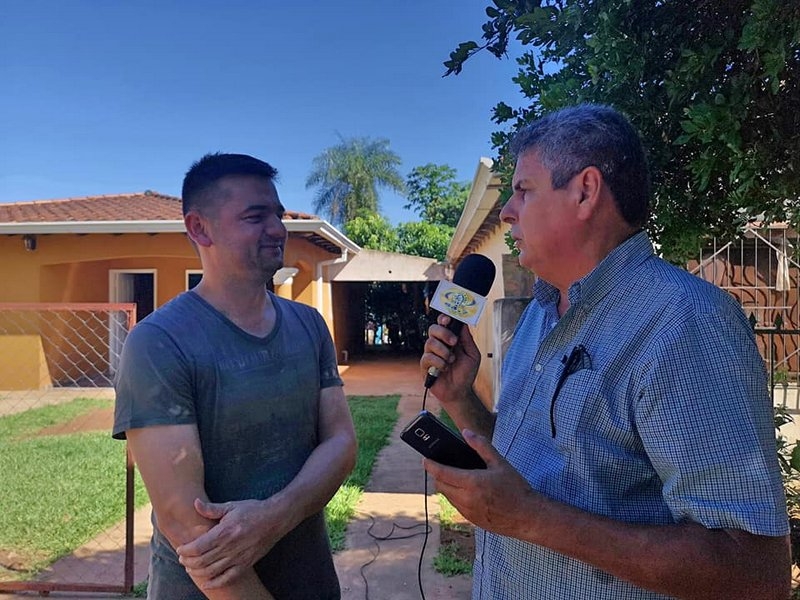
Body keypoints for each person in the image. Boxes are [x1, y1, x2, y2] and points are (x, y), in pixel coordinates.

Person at [420, 104, 791, 599]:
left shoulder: (685, 322)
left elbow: (755, 573)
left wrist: (532, 519)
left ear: (585, 191)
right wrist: (459, 397)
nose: (507, 211)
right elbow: (522, 470)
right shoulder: (539, 314)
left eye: (524, 190)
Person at [113, 153, 357, 599]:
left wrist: (275, 516)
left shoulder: (309, 325)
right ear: (199, 228)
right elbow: (185, 521)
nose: (278, 229)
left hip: (313, 583)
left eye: (278, 215)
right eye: (255, 216)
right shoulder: (159, 342)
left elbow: (341, 442)